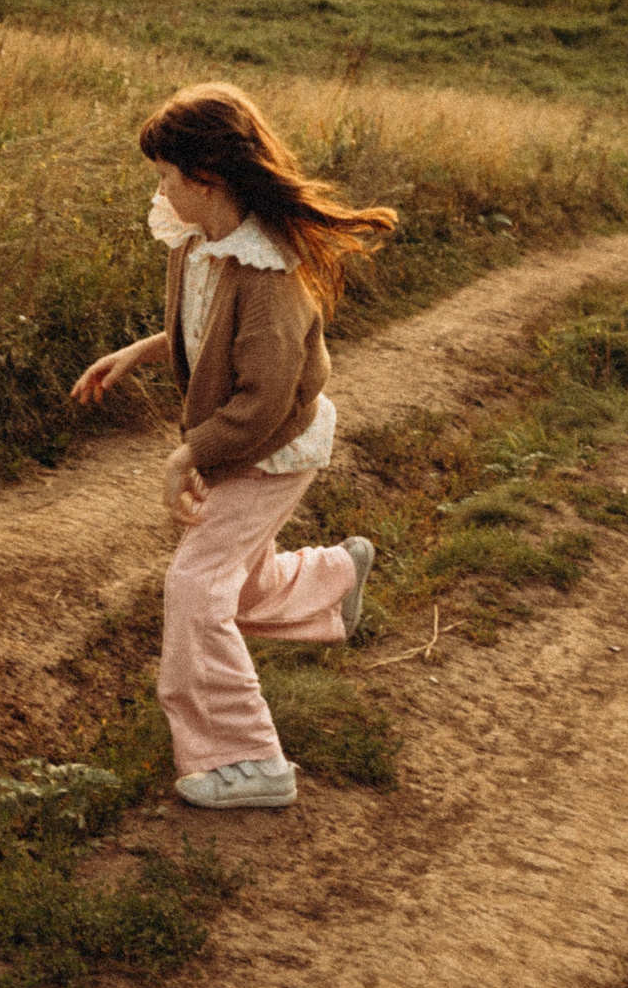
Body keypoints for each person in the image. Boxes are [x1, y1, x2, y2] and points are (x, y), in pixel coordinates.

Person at [70, 83, 398, 811]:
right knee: (232, 582)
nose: (160, 187)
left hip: (275, 445)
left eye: (166, 174)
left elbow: (263, 399)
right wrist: (139, 352)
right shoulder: (199, 241)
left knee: (194, 586)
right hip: (249, 433)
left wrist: (187, 455)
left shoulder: (269, 272)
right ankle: (332, 582)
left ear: (206, 177)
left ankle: (248, 758)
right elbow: (206, 329)